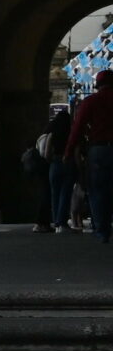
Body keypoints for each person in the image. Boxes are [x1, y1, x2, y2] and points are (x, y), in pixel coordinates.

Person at [64, 68, 113, 244]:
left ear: (97, 84)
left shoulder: (91, 101)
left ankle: (102, 231)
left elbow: (78, 128)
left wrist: (69, 152)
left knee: (98, 191)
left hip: (98, 150)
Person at [44, 101, 77, 232]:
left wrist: (51, 161)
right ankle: (62, 222)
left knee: (55, 193)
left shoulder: (52, 134)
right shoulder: (71, 134)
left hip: (55, 163)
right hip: (68, 162)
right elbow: (76, 151)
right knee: (65, 193)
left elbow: (46, 153)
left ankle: (56, 223)